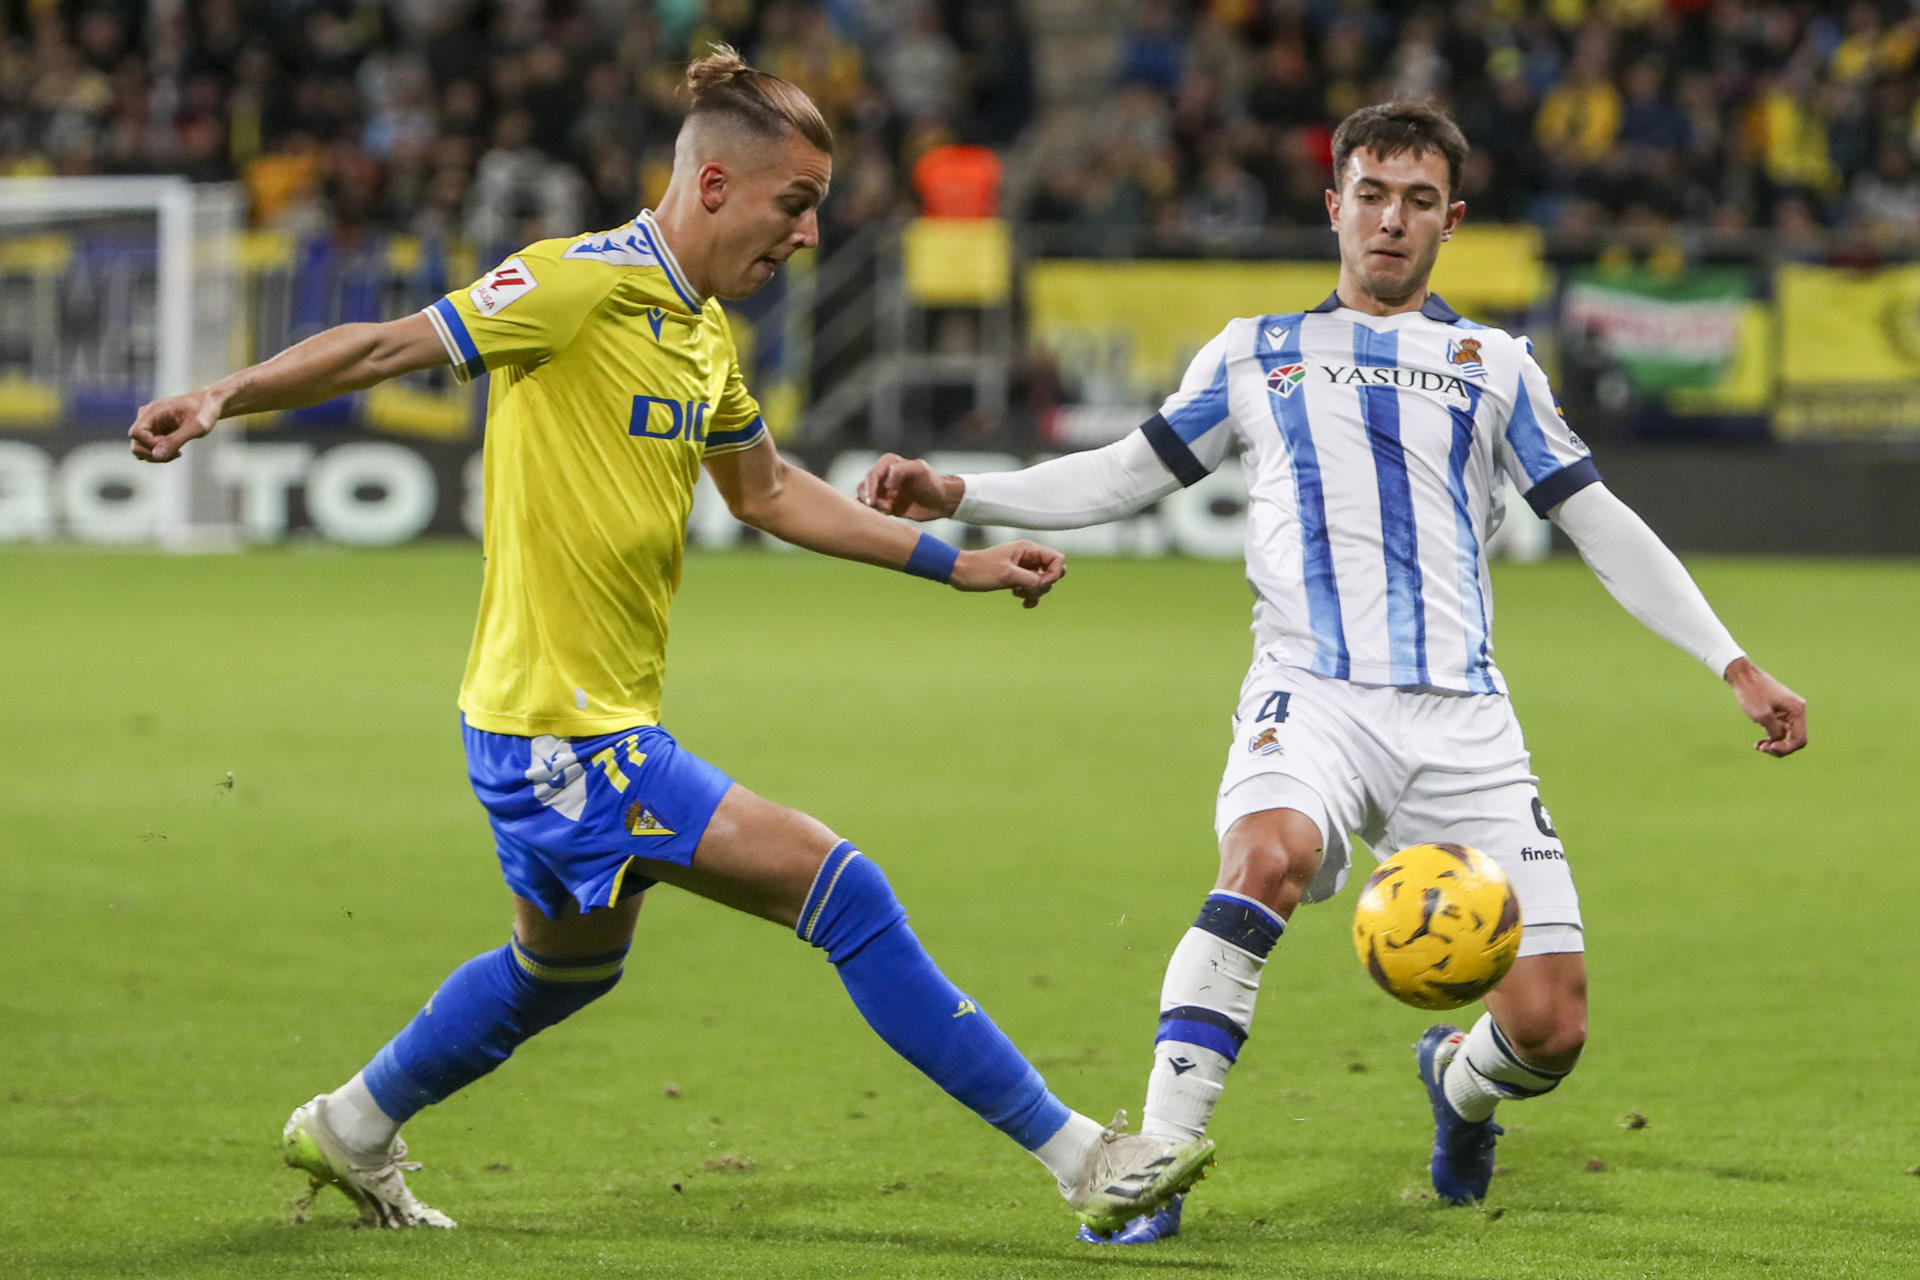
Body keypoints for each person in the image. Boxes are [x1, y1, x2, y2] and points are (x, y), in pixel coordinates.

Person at [127, 46, 1214, 1233]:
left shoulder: (700, 334)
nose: (805, 236)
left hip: (567, 720)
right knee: (840, 886)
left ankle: (351, 1124)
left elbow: (769, 491)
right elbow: (387, 346)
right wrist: (223, 396)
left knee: (566, 970)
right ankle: (1082, 1159)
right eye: (792, 204)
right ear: (711, 186)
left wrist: (959, 564)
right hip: (564, 727)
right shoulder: (573, 284)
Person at [859, 101, 1808, 1244]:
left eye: (1417, 201)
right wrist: (963, 493)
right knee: (1268, 856)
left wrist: (1732, 660)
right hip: (1310, 694)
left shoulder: (1494, 364)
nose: (1390, 221)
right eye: (1371, 193)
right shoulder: (1257, 349)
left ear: (1450, 222)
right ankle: (1145, 1169)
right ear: (1334, 205)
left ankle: (1457, 1087)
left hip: (1463, 718)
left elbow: (1601, 523)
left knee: (1550, 1029)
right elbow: (1124, 473)